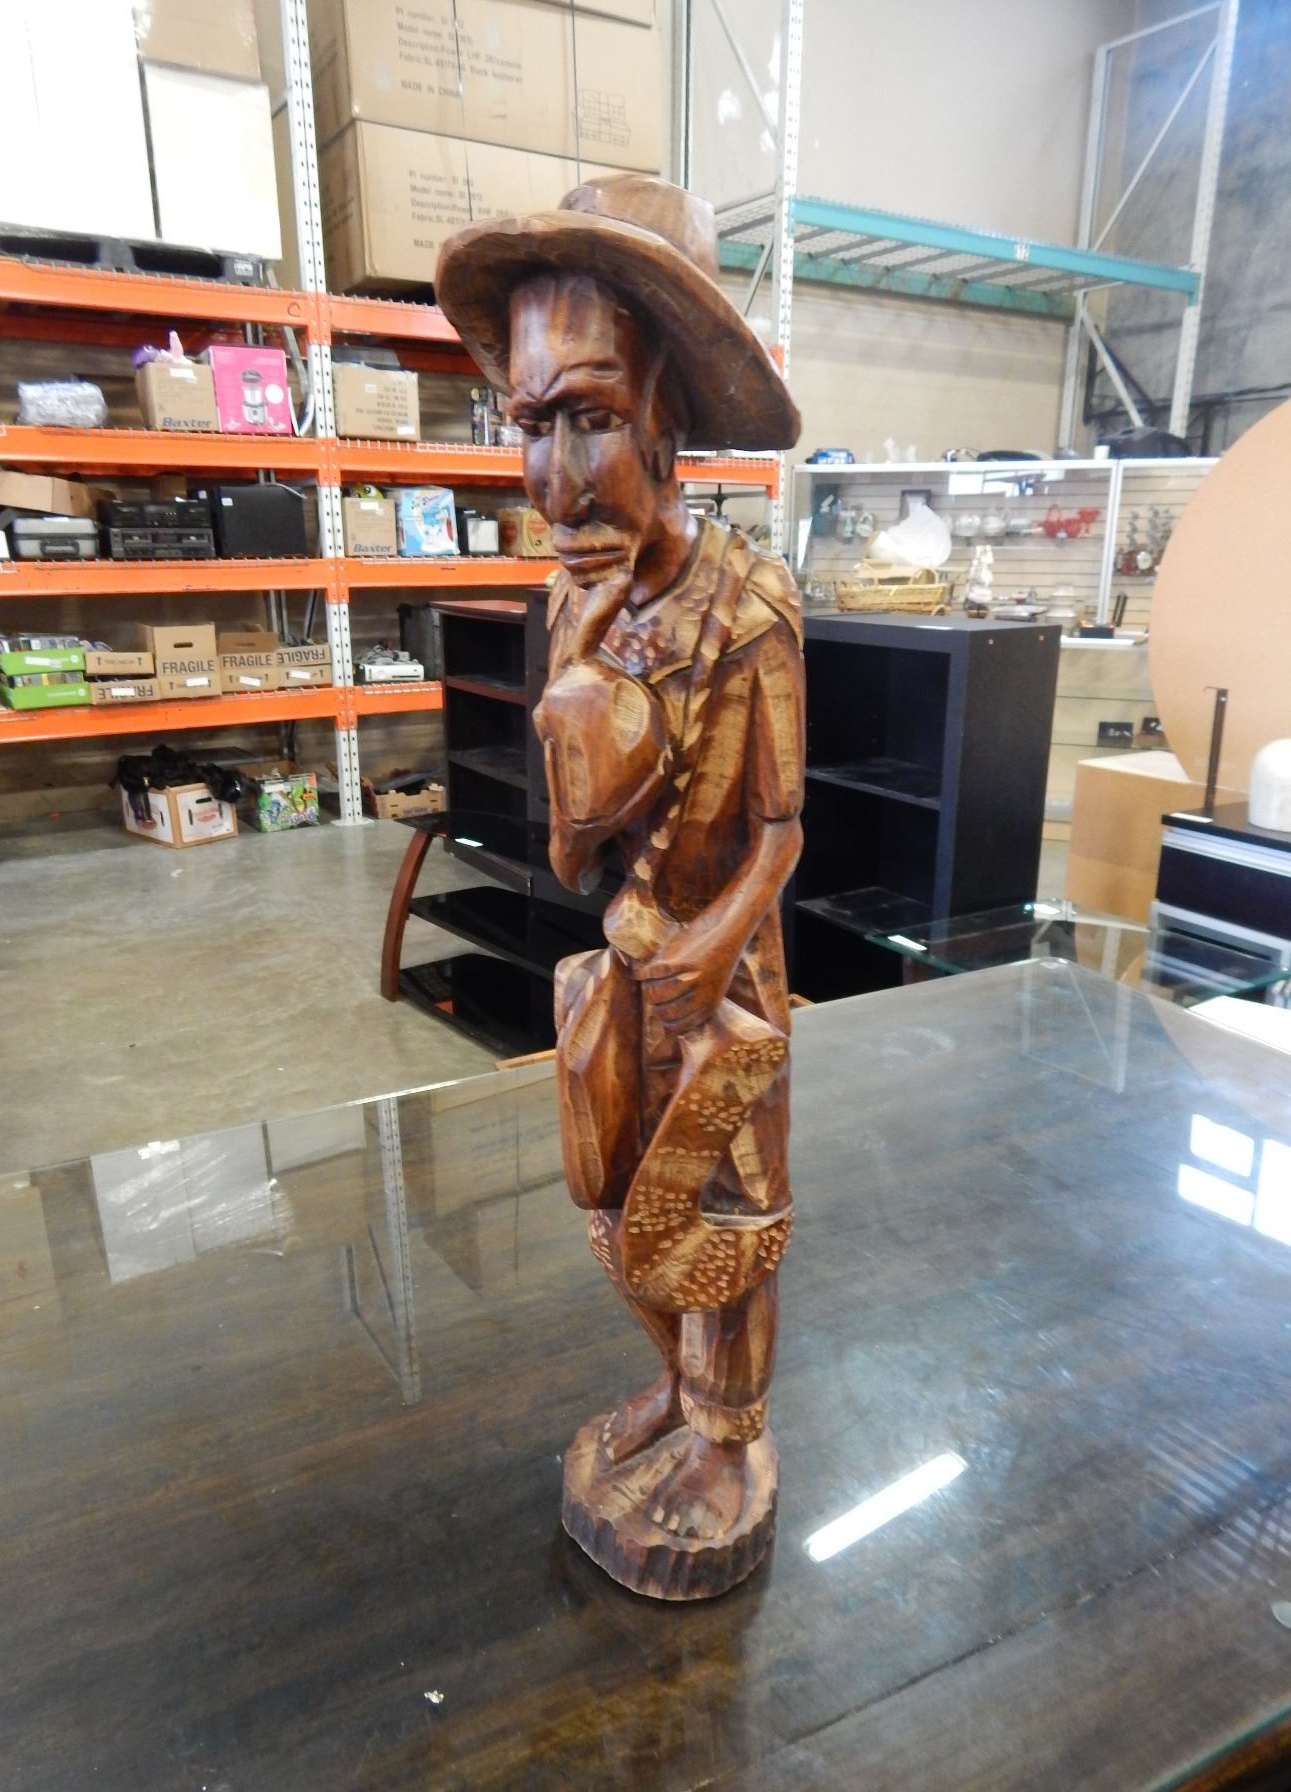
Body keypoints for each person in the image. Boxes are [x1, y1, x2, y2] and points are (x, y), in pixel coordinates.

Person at [437, 176, 804, 1552]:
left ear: (668, 413)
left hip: (726, 977)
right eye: (529, 424)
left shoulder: (749, 606)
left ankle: (728, 1438)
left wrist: (715, 941)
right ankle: (674, 1384)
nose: (554, 476)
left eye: (589, 417)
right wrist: (579, 688)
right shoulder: (569, 599)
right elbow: (568, 847)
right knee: (612, 1201)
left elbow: (781, 829)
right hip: (629, 957)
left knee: (724, 1213)